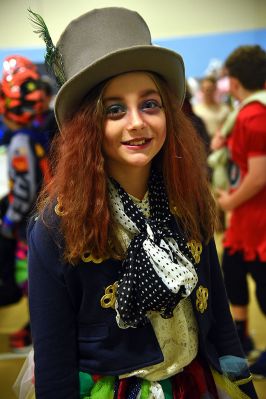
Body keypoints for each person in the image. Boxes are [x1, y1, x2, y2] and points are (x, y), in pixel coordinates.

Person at [24, 7, 258, 398]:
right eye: (114, 109)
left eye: (149, 104)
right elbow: (54, 361)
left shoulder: (190, 199)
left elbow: (217, 315)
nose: (136, 122)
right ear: (87, 126)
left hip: (195, 382)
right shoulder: (54, 229)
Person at [216, 45, 266, 378]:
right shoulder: (249, 111)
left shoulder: (254, 115)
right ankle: (240, 339)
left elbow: (260, 173)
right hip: (247, 219)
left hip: (257, 220)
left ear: (234, 82)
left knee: (263, 286)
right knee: (231, 271)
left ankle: (243, 342)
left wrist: (230, 201)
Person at [0, 55, 50, 351]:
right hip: (43, 215)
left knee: (31, 279)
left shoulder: (21, 140)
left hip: (31, 222)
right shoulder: (38, 131)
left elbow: (23, 189)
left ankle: (38, 332)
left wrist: (7, 223)